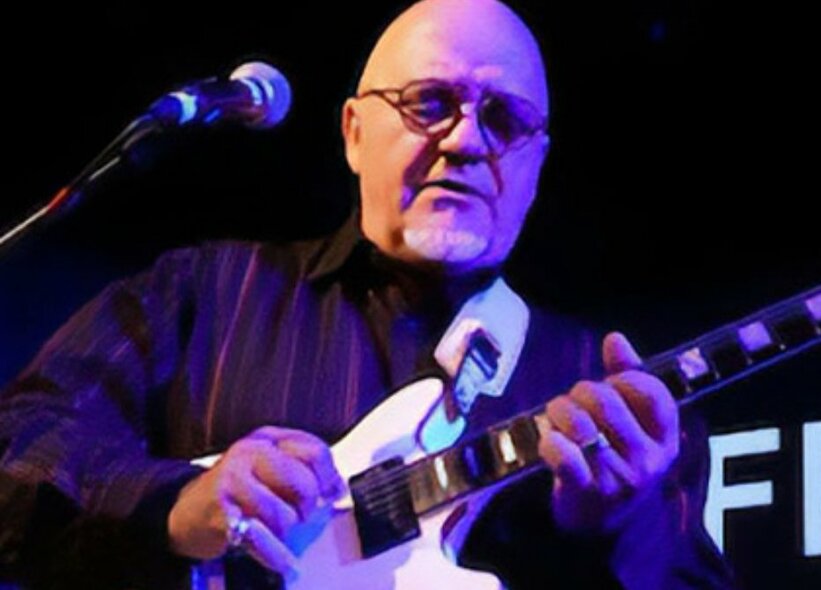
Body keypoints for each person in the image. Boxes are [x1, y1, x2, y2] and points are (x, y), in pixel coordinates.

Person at [0, 0, 732, 588]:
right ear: (354, 132)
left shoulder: (601, 383)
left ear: (536, 163)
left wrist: (622, 519)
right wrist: (173, 505)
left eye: (504, 119)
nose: (466, 140)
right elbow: (20, 447)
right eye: (430, 102)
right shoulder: (207, 292)